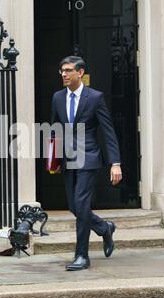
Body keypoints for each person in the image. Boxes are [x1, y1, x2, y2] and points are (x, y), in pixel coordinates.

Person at [51, 56, 122, 271]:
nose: (63, 74)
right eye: (62, 70)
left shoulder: (95, 98)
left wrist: (115, 163)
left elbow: (108, 132)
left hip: (88, 157)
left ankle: (82, 256)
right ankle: (104, 227)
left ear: (80, 73)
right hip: (67, 159)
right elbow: (55, 129)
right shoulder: (57, 97)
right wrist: (52, 158)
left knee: (81, 205)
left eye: (68, 70)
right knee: (74, 206)